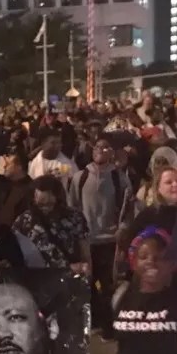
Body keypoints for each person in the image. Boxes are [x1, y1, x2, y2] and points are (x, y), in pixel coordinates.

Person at [68, 138, 132, 336]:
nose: (101, 151)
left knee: (107, 284)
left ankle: (108, 324)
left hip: (109, 240)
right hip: (87, 241)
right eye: (98, 147)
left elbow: (128, 205)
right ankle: (93, 320)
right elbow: (73, 207)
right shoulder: (80, 177)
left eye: (106, 147)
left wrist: (122, 227)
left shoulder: (119, 178)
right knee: (88, 282)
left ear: (112, 152)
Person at [14, 175, 91, 273]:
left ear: (59, 200)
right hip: (39, 280)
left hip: (71, 280)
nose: (46, 209)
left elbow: (85, 254)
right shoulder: (23, 222)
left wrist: (87, 277)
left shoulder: (75, 217)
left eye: (50, 204)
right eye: (40, 205)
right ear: (33, 201)